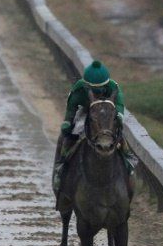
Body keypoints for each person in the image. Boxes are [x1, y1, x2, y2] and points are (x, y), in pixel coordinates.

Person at [53, 59, 135, 197]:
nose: (97, 92)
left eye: (100, 89)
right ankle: (62, 163)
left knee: (117, 132)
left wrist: (119, 116)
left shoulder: (113, 87)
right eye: (94, 90)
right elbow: (72, 107)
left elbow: (119, 104)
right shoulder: (79, 89)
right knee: (70, 133)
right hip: (86, 112)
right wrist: (68, 121)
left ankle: (128, 159)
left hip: (107, 113)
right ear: (87, 85)